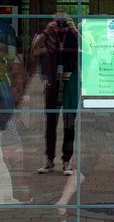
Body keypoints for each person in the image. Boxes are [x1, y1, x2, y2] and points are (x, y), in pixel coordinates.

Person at [30, 12, 79, 176]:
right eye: (58, 22)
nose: (61, 26)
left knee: (69, 122)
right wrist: (46, 31)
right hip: (53, 83)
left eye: (64, 22)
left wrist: (75, 31)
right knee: (51, 122)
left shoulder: (74, 36)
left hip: (70, 83)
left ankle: (67, 160)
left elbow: (90, 49)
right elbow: (34, 49)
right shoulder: (48, 35)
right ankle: (49, 159)